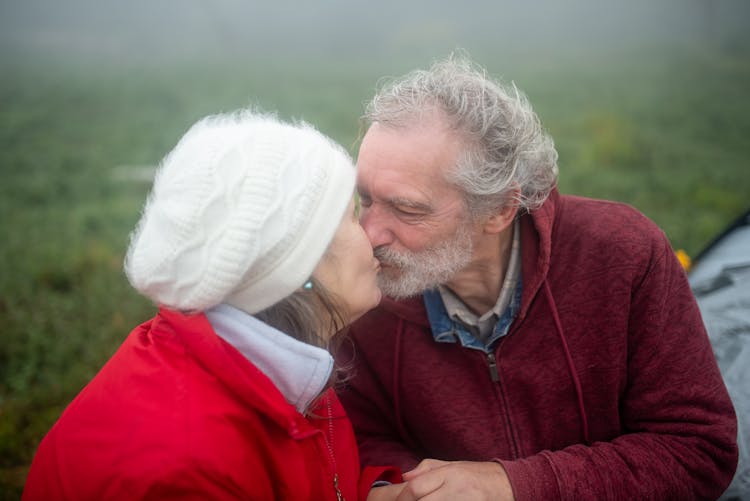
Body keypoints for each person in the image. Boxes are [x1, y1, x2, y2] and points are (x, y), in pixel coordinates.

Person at [335, 54, 739, 500]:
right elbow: (359, 435)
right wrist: (397, 485)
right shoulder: (363, 291)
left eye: (407, 208)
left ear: (501, 209)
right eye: (365, 198)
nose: (370, 233)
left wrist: (511, 485)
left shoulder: (624, 255)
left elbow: (698, 450)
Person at [23, 110, 402, 500]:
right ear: (299, 265)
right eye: (354, 216)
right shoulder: (183, 472)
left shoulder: (277, 370)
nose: (372, 235)